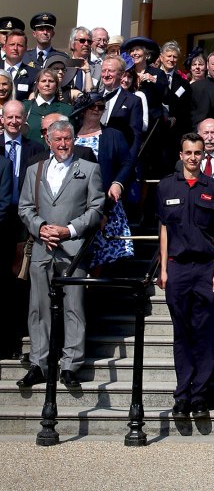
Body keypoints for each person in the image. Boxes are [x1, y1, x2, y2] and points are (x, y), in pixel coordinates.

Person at [16, 120, 104, 389]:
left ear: (73, 139)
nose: (64, 144)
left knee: (74, 307)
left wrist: (68, 230)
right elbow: (25, 207)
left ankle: (70, 365)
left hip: (72, 249)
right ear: (49, 142)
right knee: (38, 307)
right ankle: (39, 363)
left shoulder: (89, 169)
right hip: (43, 247)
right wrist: (41, 228)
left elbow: (96, 208)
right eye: (59, 140)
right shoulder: (35, 170)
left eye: (68, 138)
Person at [156, 133, 214, 417]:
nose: (193, 158)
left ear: (202, 155)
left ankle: (200, 395)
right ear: (181, 155)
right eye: (188, 153)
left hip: (206, 268)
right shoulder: (165, 186)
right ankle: (182, 394)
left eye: (198, 153)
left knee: (205, 333)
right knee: (182, 333)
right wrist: (163, 269)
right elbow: (163, 229)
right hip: (177, 267)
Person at [71, 92, 135, 269]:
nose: (97, 110)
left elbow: (128, 162)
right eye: (93, 106)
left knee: (103, 256)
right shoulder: (71, 136)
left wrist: (118, 183)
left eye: (101, 107)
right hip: (76, 204)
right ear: (83, 110)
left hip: (106, 202)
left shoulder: (113, 134)